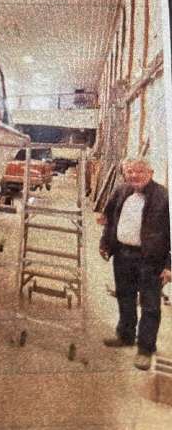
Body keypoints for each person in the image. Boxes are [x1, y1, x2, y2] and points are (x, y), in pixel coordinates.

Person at [99, 157, 171, 370]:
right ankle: (126, 335)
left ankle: (146, 349)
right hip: (122, 254)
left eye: (139, 171)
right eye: (130, 171)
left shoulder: (163, 197)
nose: (134, 175)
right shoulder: (121, 191)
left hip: (151, 260)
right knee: (125, 296)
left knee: (150, 305)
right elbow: (110, 219)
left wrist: (169, 266)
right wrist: (105, 243)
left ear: (150, 173)